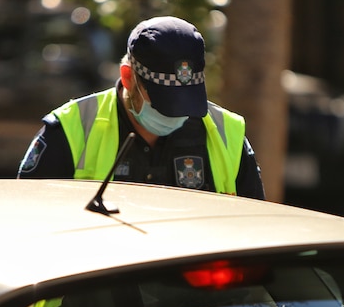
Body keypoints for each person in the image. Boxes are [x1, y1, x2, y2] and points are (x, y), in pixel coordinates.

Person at [18, 15, 265, 200]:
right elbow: (27, 220)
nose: (176, 113)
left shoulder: (227, 134)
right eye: (164, 101)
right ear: (127, 77)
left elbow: (255, 231)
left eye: (186, 100)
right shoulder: (69, 131)